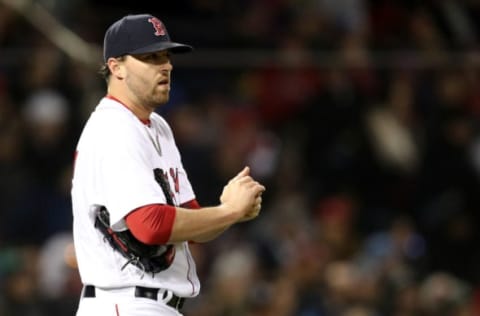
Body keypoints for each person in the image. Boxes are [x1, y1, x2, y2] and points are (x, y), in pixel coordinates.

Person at [71, 13, 265, 316]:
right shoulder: (114, 127)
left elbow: (191, 223)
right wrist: (229, 211)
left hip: (148, 303)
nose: (166, 65)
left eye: (166, 56)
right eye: (150, 57)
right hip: (126, 301)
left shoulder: (157, 126)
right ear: (116, 67)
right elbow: (149, 225)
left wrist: (229, 212)